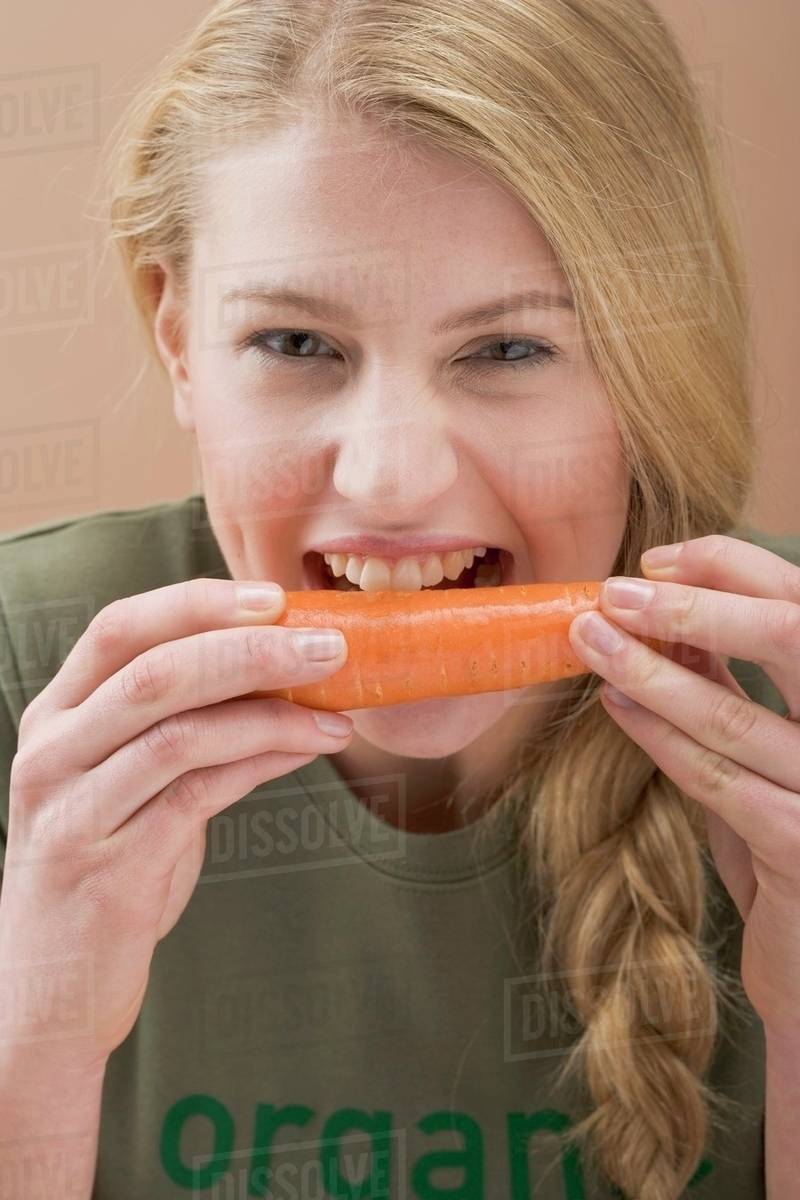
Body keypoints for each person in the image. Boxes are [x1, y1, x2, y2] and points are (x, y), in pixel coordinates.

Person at [1, 1, 799, 1197]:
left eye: (509, 351)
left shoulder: (778, 701)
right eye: (295, 343)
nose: (386, 476)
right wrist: (42, 1034)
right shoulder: (22, 658)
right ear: (177, 342)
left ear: (646, 361)